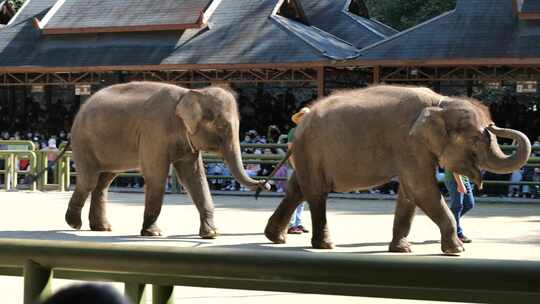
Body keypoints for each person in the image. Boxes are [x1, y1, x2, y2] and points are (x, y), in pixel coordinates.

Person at [287, 107, 311, 234]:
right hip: (296, 168)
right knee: (293, 196)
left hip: (306, 168)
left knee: (303, 197)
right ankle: (290, 224)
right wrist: (296, 167)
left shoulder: (310, 133)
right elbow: (290, 152)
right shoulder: (294, 131)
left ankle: (298, 222)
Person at [443, 169, 475, 243]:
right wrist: (460, 184)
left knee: (469, 204)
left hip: (464, 179)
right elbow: (455, 167)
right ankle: (458, 234)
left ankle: (447, 222)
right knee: (457, 207)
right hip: (454, 179)